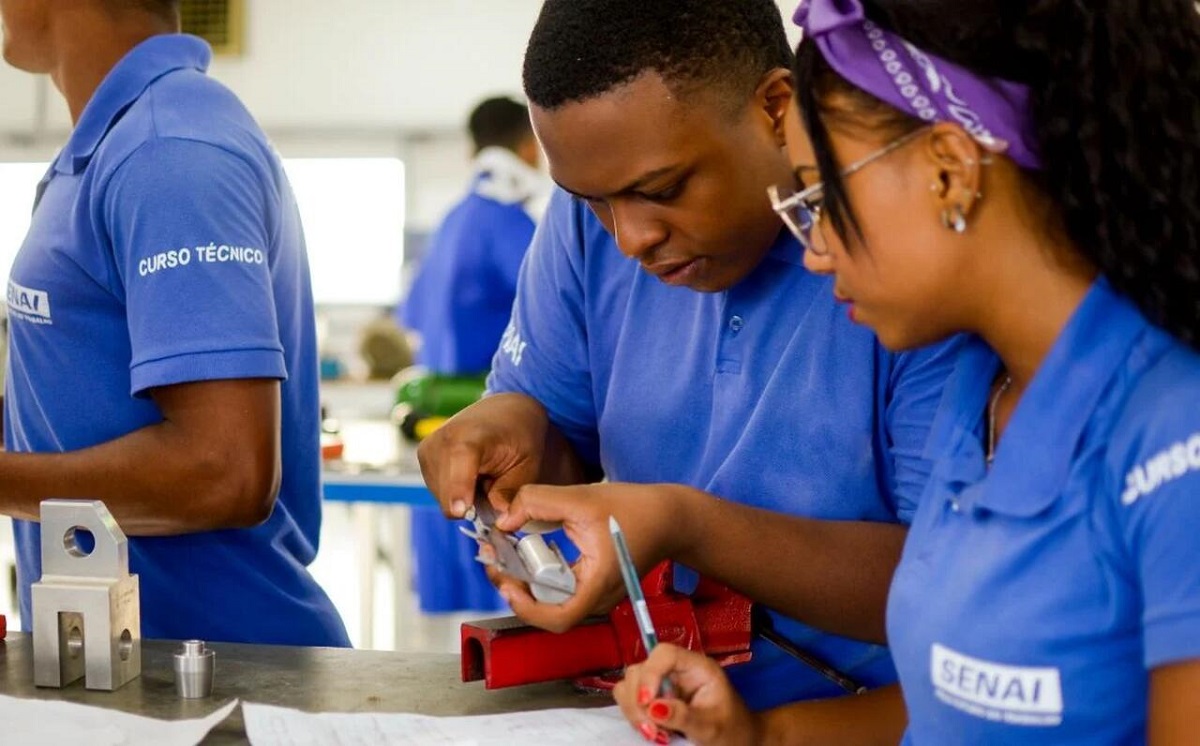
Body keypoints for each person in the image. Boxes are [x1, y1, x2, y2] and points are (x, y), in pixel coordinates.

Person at [613, 0, 1200, 743]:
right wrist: (763, 737)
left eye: (820, 197)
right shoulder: (978, 395)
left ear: (950, 173)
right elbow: (958, 711)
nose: (814, 250)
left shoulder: (1173, 437)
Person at [417, 0, 959, 710]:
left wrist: (686, 525)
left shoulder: (904, 257)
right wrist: (511, 434)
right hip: (648, 709)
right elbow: (558, 440)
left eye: (662, 190)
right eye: (593, 202)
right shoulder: (588, 222)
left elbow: (951, 589)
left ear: (775, 109)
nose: (629, 238)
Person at [0, 0, 349, 646]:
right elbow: (75, 402)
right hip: (132, 672)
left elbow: (223, 470)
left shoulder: (169, 151)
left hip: (222, 680)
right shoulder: (114, 145)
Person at [401, 96, 549, 616]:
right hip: (493, 430)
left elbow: (413, 317)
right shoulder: (511, 224)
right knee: (508, 599)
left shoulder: (451, 221)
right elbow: (559, 322)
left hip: (443, 432)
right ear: (531, 147)